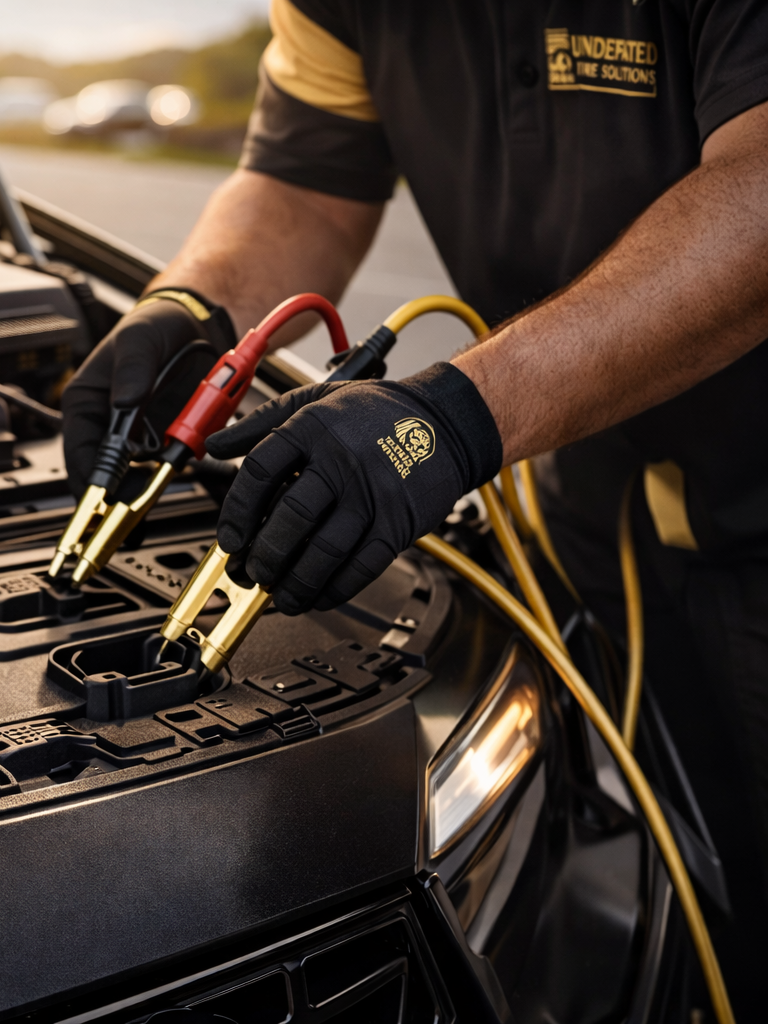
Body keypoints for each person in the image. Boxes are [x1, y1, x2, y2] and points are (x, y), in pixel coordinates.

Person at [60, 0, 768, 1008]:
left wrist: (446, 420)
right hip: (594, 516)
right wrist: (194, 303)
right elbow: (304, 183)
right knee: (695, 894)